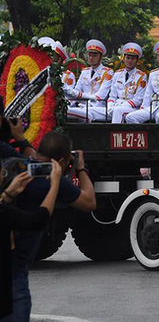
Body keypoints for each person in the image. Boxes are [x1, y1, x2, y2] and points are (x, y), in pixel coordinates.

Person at [4, 132, 96, 321]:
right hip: (15, 271)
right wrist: (80, 168)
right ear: (62, 161)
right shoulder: (51, 179)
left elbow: (31, 155)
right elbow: (89, 202)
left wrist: (21, 138)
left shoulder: (18, 168)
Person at [0, 160, 61, 319]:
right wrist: (55, 185)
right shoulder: (5, 212)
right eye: (3, 173)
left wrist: (7, 194)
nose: (4, 177)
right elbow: (37, 220)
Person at [66, 39, 114, 123]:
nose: (91, 58)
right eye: (90, 55)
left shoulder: (107, 72)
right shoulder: (85, 71)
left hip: (98, 108)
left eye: (94, 55)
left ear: (100, 57)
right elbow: (76, 91)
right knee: (66, 110)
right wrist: (68, 103)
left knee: (81, 113)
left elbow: (100, 96)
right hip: (82, 107)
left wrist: (80, 96)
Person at [108, 43, 148, 123]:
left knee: (118, 110)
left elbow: (138, 99)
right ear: (123, 58)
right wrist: (110, 106)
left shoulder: (141, 76)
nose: (130, 60)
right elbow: (112, 95)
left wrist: (122, 106)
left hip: (132, 107)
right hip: (115, 105)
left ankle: (114, 133)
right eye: (128, 58)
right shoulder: (117, 74)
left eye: (133, 58)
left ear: (137, 60)